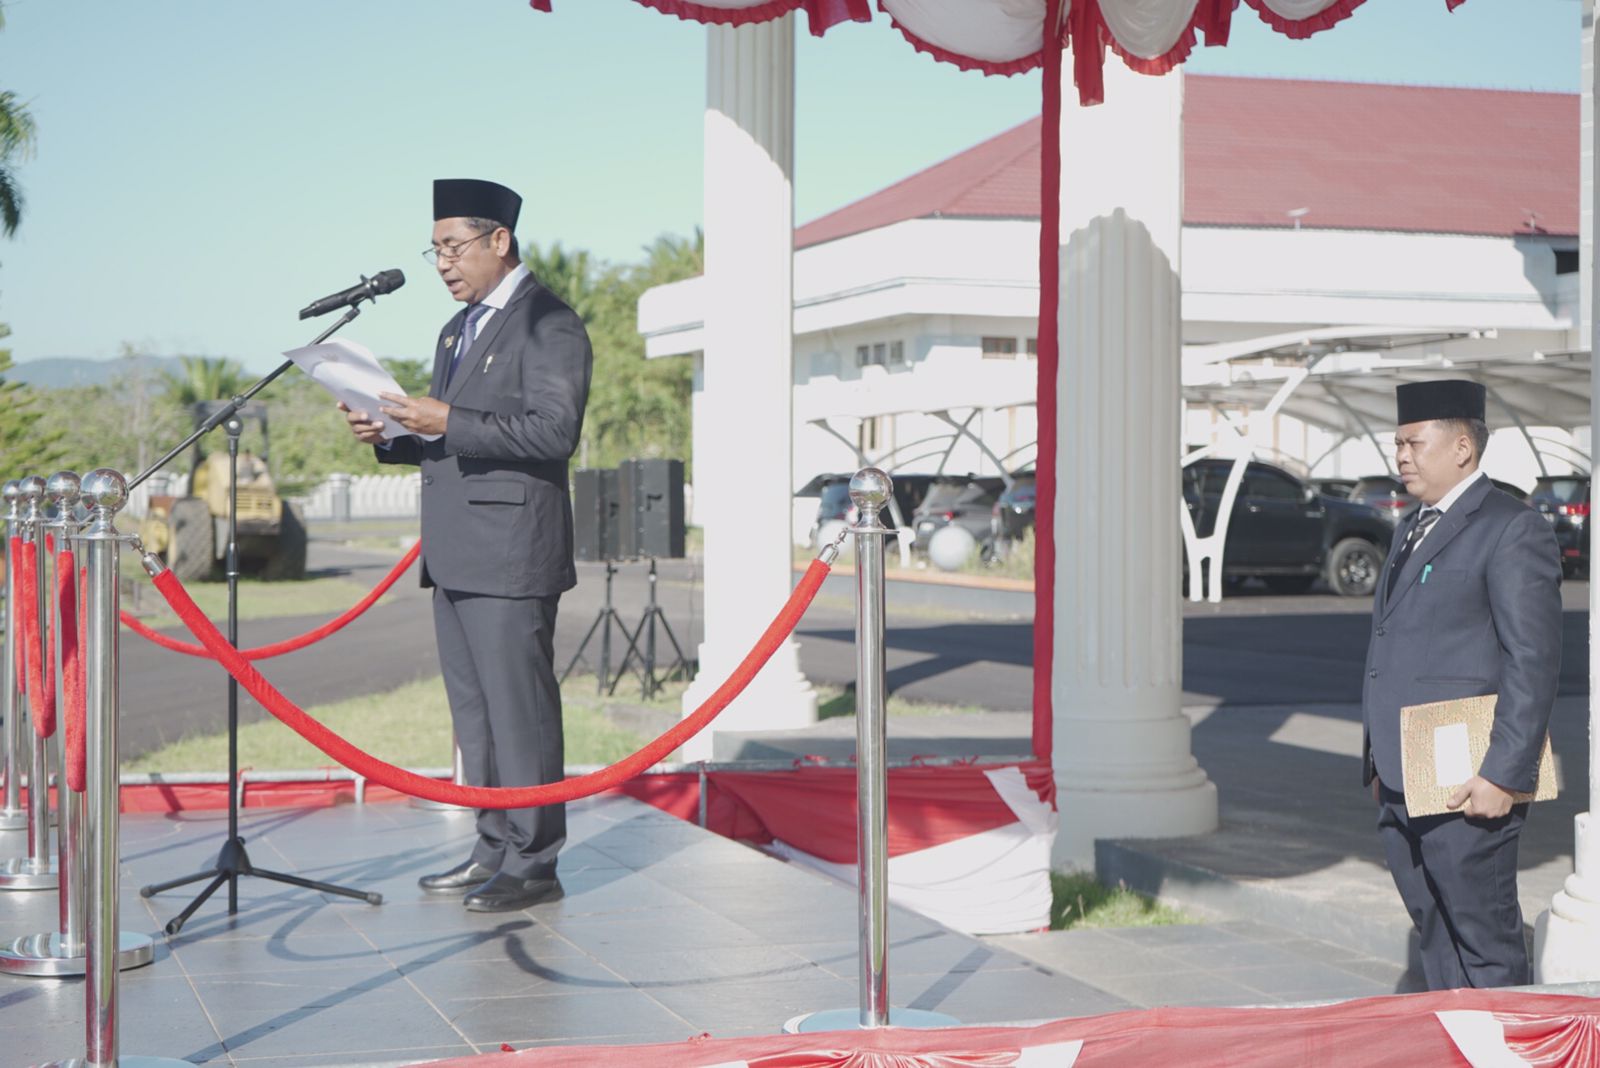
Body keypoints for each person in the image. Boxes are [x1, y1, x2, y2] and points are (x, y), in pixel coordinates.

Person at [342, 178, 592, 911]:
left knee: (520, 712)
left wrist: (445, 418)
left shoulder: (548, 321)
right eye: (436, 251)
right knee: (476, 717)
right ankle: (493, 847)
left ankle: (535, 862)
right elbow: (447, 437)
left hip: (511, 550)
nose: (443, 264)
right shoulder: (457, 330)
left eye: (453, 247)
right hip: (454, 548)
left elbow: (554, 432)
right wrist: (389, 434)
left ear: (499, 240)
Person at [1361, 379, 1561, 988]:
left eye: (1413, 443)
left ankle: (1503, 1039)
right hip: (1404, 778)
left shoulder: (1510, 527)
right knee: (1436, 939)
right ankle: (1454, 1037)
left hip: (1469, 782)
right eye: (1397, 443)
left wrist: (1504, 773)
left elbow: (1532, 660)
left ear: (1462, 447)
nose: (1401, 456)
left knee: (1485, 946)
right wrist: (1378, 761)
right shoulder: (1409, 527)